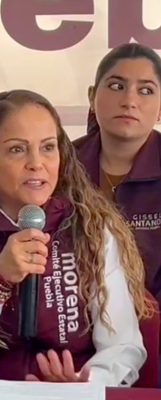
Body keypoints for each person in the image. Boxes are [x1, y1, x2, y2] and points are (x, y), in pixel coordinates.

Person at [0, 89, 154, 386]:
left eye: (48, 147)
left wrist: (83, 384)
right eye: (17, 149)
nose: (36, 163)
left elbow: (124, 348)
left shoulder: (91, 227)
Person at [74, 43, 161, 308]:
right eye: (116, 86)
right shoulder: (63, 164)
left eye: (145, 91)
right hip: (74, 321)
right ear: (92, 96)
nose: (129, 101)